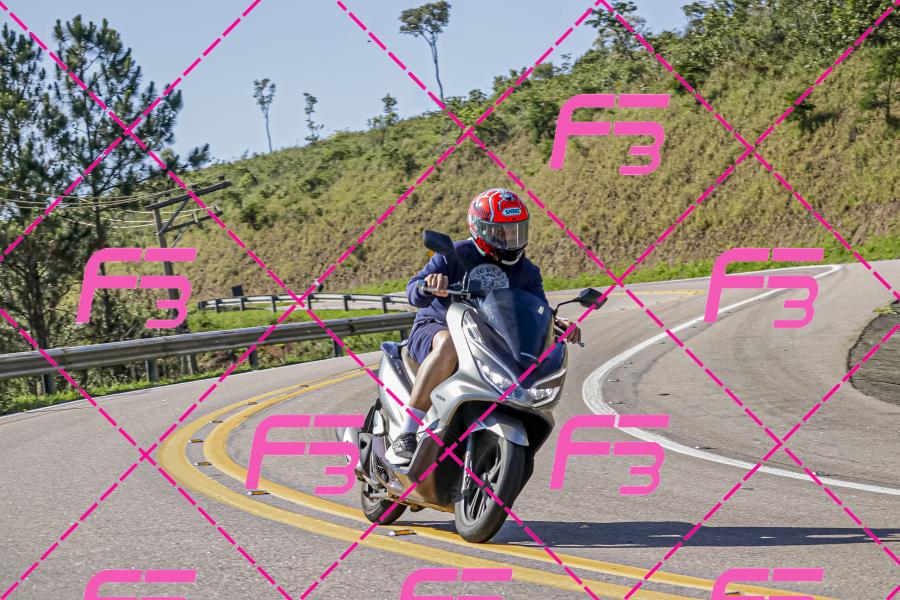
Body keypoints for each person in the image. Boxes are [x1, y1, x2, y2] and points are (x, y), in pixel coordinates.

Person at [387, 188, 580, 465]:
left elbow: (538, 309)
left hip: (487, 338)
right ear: (479, 229)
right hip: (437, 326)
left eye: (516, 230)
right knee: (449, 343)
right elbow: (413, 289)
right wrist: (427, 285)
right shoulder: (454, 253)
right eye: (501, 232)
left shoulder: (527, 272)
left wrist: (556, 323)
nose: (510, 238)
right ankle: (406, 433)